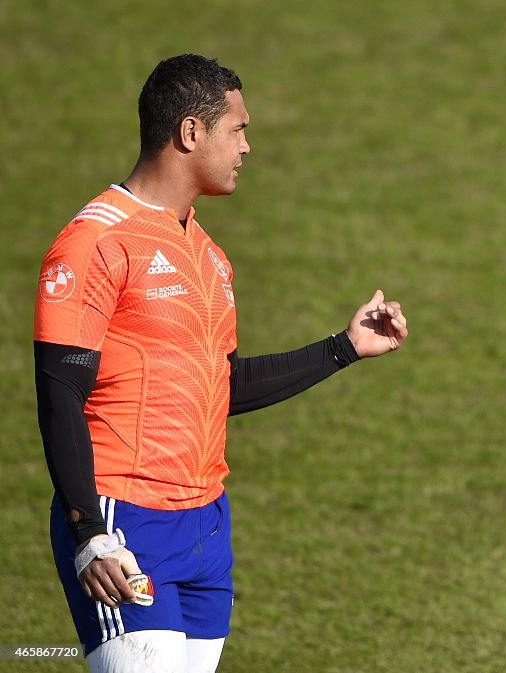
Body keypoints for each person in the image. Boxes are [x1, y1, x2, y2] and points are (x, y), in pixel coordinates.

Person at [34, 54, 408, 673]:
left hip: (206, 527)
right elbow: (59, 392)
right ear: (190, 133)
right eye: (237, 129)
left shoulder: (209, 257)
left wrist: (343, 349)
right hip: (125, 519)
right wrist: (86, 531)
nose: (248, 147)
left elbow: (222, 385)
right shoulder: (95, 242)